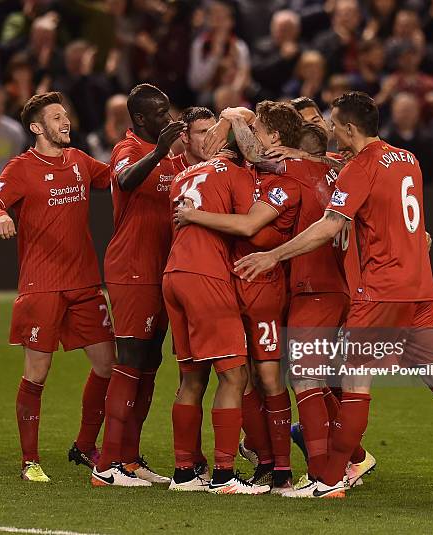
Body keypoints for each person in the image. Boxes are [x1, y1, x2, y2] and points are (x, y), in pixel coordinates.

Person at [235, 92, 433, 498]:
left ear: (350, 129)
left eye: (334, 124)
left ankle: (330, 479)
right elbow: (409, 222)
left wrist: (274, 256)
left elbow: (329, 226)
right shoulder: (408, 159)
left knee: (355, 387)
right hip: (420, 289)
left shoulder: (361, 169)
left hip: (380, 292)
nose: (330, 130)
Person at [0, 91, 116, 482]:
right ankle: (30, 462)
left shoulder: (79, 161)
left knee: (108, 366)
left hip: (86, 284)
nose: (65, 122)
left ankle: (85, 446)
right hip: (42, 286)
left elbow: (115, 177)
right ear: (37, 128)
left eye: (66, 115)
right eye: (56, 118)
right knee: (37, 374)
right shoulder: (21, 168)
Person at [175, 101, 304, 492]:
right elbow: (248, 139)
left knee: (266, 377)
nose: (249, 137)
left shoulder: (285, 175)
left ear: (275, 138)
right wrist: (235, 116)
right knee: (239, 377)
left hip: (262, 287)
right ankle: (263, 461)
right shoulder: (250, 171)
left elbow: (250, 227)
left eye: (260, 129)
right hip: (228, 284)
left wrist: (232, 117)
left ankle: (282, 468)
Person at [93, 84, 184, 486]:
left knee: (150, 362)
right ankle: (106, 464)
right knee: (129, 361)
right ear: (142, 119)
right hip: (132, 268)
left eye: (169, 110)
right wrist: (160, 151)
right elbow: (125, 182)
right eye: (161, 113)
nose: (168, 118)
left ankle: (129, 458)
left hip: (163, 268)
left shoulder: (175, 158)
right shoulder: (127, 150)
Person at [165, 154, 271, 495]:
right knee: (234, 374)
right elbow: (248, 226)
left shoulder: (185, 174)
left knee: (192, 378)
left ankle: (184, 473)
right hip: (205, 275)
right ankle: (224, 475)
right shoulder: (237, 173)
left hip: (174, 273)